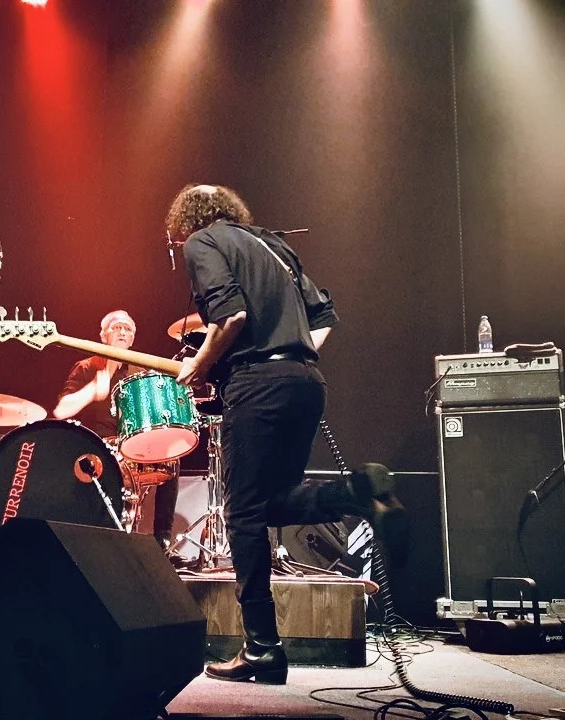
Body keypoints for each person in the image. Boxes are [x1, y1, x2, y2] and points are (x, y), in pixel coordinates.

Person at [165, 184, 407, 684]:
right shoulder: (273, 244)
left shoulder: (202, 241)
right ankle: (359, 493)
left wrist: (201, 364)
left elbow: (231, 314)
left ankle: (262, 648)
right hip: (305, 381)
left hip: (259, 386)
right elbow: (324, 317)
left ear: (186, 223)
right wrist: (291, 354)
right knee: (273, 504)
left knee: (243, 515)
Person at [51, 310, 179, 551]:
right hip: (96, 448)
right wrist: (93, 389)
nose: (122, 332)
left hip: (132, 446)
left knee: (170, 456)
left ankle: (162, 542)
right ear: (103, 336)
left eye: (127, 329)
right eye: (116, 327)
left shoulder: (141, 371)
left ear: (132, 340)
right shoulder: (87, 367)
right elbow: (61, 410)